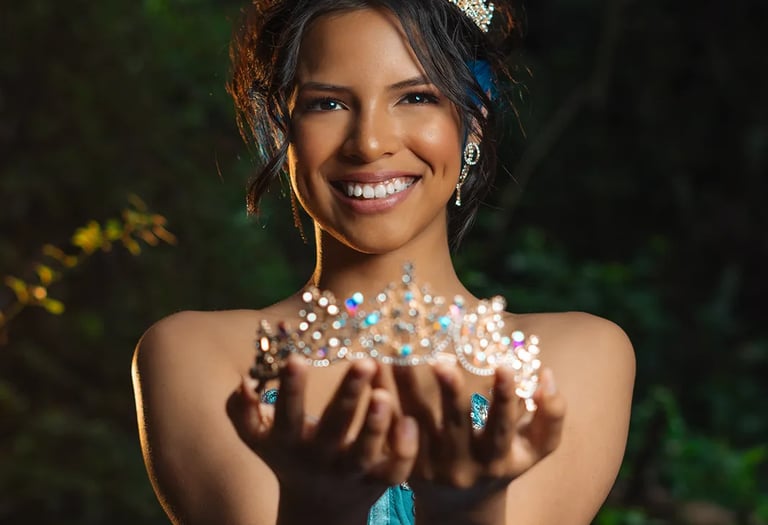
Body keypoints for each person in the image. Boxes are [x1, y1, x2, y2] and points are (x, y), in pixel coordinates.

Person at [131, 0, 636, 523]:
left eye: (415, 97)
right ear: (283, 128)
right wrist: (316, 507)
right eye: (327, 104)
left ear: (474, 126)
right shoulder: (199, 356)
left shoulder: (571, 359)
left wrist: (468, 505)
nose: (369, 143)